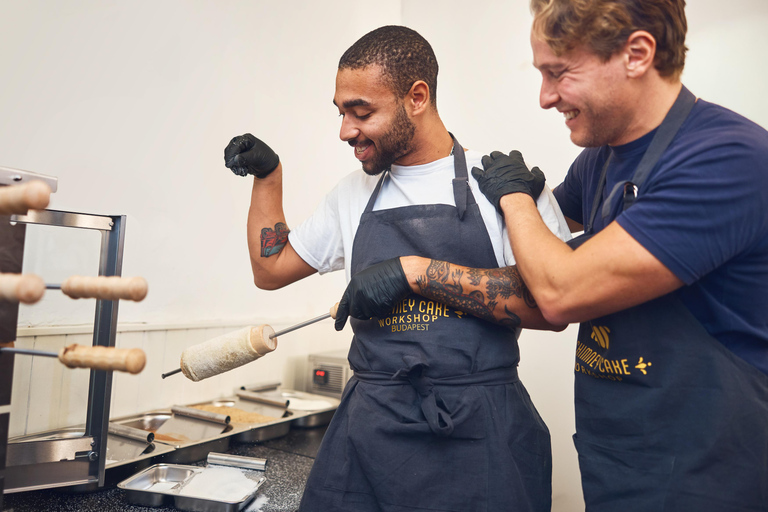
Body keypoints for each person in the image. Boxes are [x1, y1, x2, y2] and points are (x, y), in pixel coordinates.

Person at [223, 25, 571, 512]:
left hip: (480, 429)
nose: (346, 130)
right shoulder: (353, 193)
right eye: (341, 112)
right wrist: (268, 177)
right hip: (370, 431)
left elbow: (553, 305)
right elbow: (271, 268)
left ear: (417, 97)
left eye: (361, 112)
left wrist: (415, 273)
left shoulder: (500, 186)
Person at [469, 1, 768, 510]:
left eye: (558, 73)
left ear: (636, 53)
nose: (545, 98)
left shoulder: (727, 159)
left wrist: (515, 197)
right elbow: (532, 242)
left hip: (707, 474)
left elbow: (560, 289)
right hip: (620, 459)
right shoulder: (602, 158)